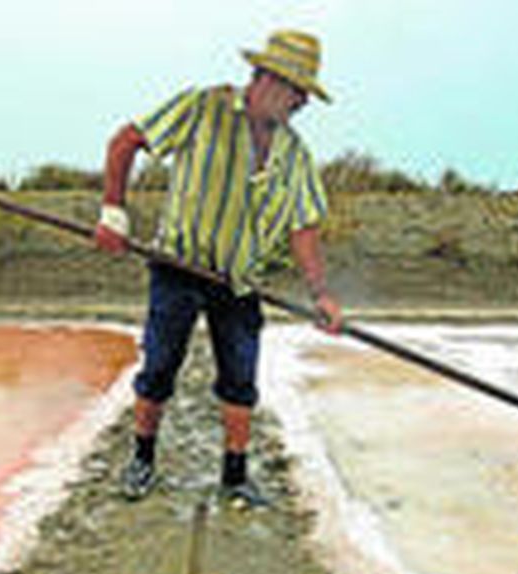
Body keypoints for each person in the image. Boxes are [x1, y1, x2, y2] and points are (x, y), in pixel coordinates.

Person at [94, 29, 344, 507]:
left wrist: (321, 294)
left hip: (239, 282)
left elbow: (304, 227)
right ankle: (142, 460)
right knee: (160, 367)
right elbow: (126, 141)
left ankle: (235, 476)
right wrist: (113, 212)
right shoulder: (202, 107)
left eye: (301, 98)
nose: (295, 105)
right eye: (291, 92)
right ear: (263, 79)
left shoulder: (294, 155)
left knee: (240, 379)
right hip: (178, 266)